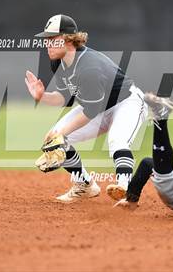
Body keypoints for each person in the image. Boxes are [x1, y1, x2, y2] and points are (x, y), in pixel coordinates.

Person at [25, 14, 147, 203]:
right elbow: (65, 97)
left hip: (126, 102)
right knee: (54, 137)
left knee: (117, 140)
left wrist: (61, 134)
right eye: (46, 39)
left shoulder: (89, 67)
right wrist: (43, 97)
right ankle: (85, 185)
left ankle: (125, 189)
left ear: (68, 39)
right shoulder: (58, 61)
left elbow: (90, 111)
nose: (47, 44)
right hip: (98, 107)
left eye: (52, 39)